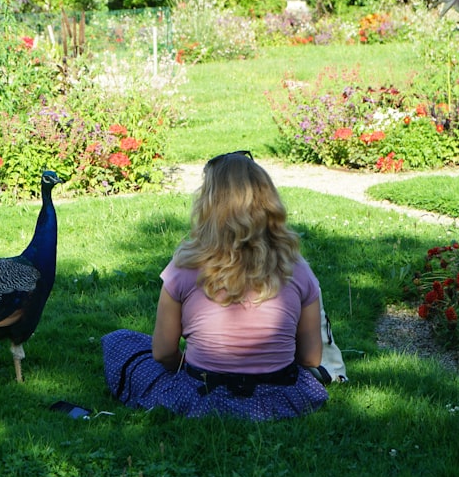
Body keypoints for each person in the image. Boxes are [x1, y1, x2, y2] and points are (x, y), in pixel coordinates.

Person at [101, 151, 329, 421]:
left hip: (204, 395)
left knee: (120, 341)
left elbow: (163, 352)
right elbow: (311, 359)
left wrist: (189, 365)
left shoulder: (184, 266)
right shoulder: (297, 268)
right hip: (280, 395)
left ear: (208, 204)